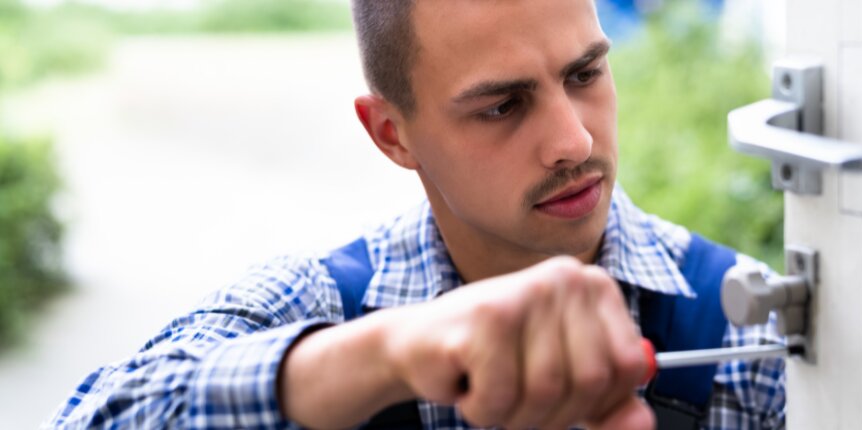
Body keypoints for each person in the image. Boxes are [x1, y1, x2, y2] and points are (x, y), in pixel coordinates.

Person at [48, 0, 785, 428]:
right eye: (502, 105)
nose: (575, 140)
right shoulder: (322, 303)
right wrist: (383, 357)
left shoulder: (752, 323)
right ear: (391, 134)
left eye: (586, 73)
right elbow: (98, 413)